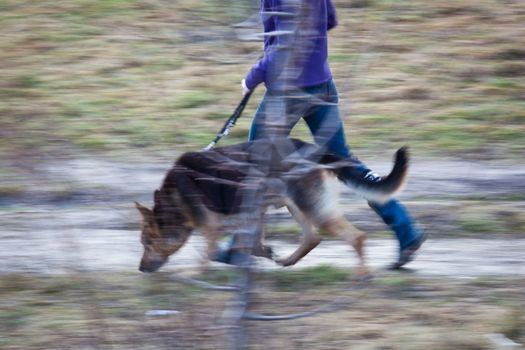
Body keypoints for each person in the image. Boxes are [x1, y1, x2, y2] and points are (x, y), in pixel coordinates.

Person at [218, 0, 426, 269]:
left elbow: (284, 48)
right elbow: (329, 20)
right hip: (322, 86)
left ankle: (240, 243)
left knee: (256, 160)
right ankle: (406, 231)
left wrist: (252, 77)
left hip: (287, 92)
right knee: (344, 163)